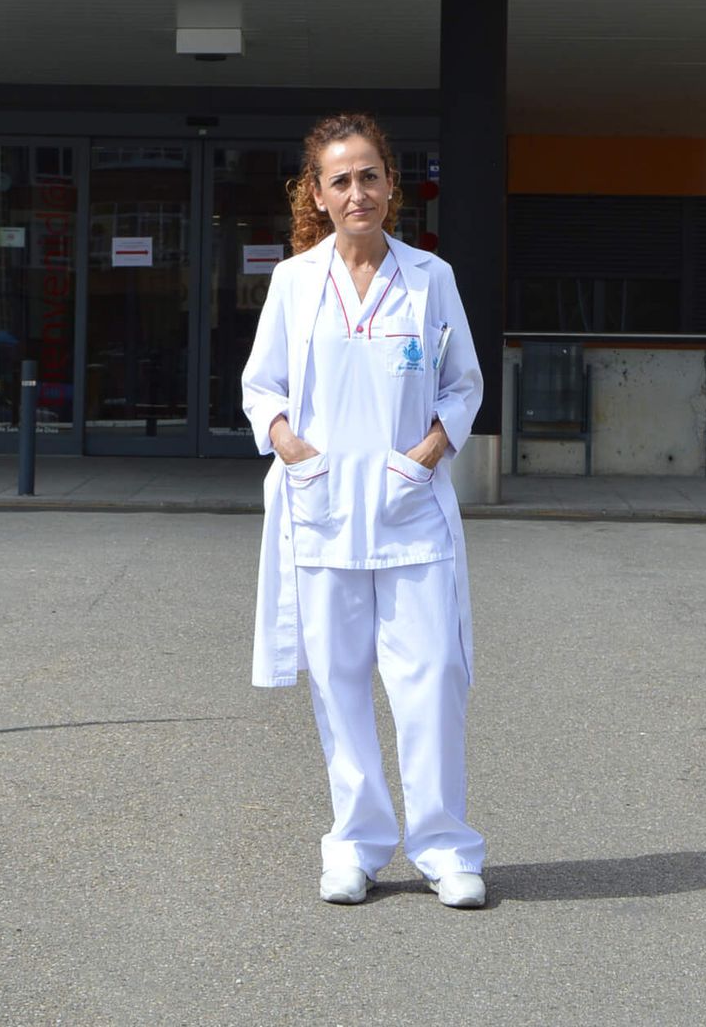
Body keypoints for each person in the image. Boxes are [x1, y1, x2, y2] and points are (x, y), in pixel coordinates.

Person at [242, 112, 487, 908]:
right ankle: (354, 844)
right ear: (317, 192)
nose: (359, 192)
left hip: (407, 507)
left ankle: (445, 847)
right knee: (340, 682)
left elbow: (464, 383)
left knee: (433, 677)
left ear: (392, 185)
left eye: (371, 175)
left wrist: (424, 456)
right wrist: (289, 446)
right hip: (322, 512)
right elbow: (261, 386)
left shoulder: (430, 277)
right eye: (341, 179)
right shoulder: (293, 281)